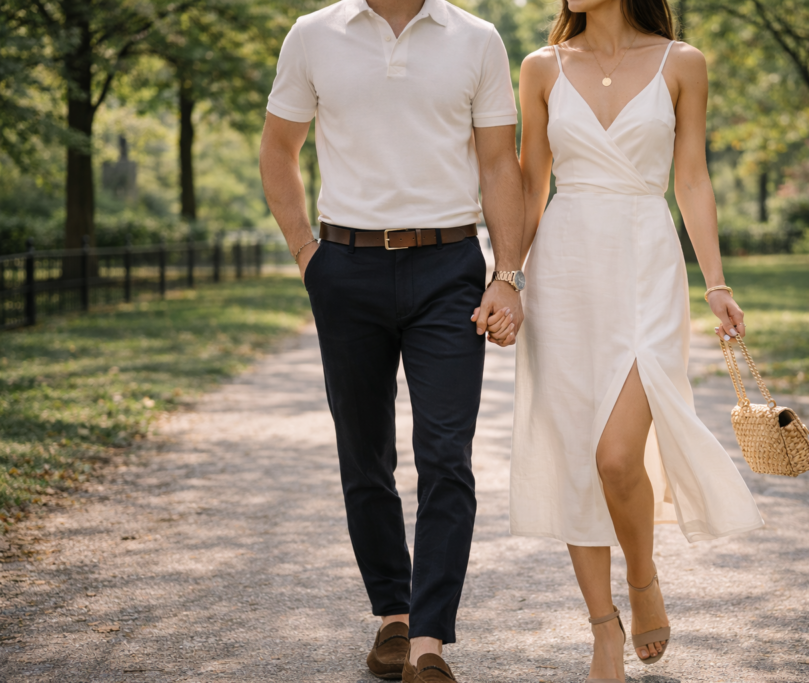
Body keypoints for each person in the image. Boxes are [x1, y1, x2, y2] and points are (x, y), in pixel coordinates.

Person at [258, 0, 526, 679]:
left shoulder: (477, 38)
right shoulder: (313, 35)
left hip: (449, 268)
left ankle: (429, 642)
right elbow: (277, 147)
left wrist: (508, 276)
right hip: (346, 267)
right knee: (365, 452)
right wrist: (305, 255)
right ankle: (393, 616)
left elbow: (500, 165)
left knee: (446, 453)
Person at [507, 0, 764, 679]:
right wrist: (507, 277)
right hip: (564, 272)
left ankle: (642, 575)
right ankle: (603, 630)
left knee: (618, 455)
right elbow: (533, 184)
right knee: (574, 453)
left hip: (648, 264)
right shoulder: (540, 68)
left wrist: (716, 283)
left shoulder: (682, 63)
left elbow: (692, 177)